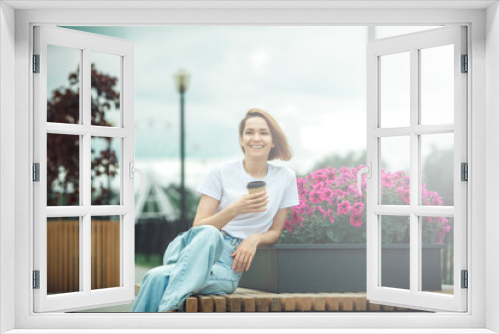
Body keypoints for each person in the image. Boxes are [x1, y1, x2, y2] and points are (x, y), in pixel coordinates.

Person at [132, 108, 299, 312]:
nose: (256, 138)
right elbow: (199, 227)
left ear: (273, 141)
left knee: (154, 277)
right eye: (249, 132)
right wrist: (235, 209)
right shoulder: (220, 172)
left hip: (228, 266)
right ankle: (170, 309)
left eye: (263, 132)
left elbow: (275, 231)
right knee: (210, 233)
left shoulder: (285, 177)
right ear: (241, 139)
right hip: (198, 249)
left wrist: (253, 239)